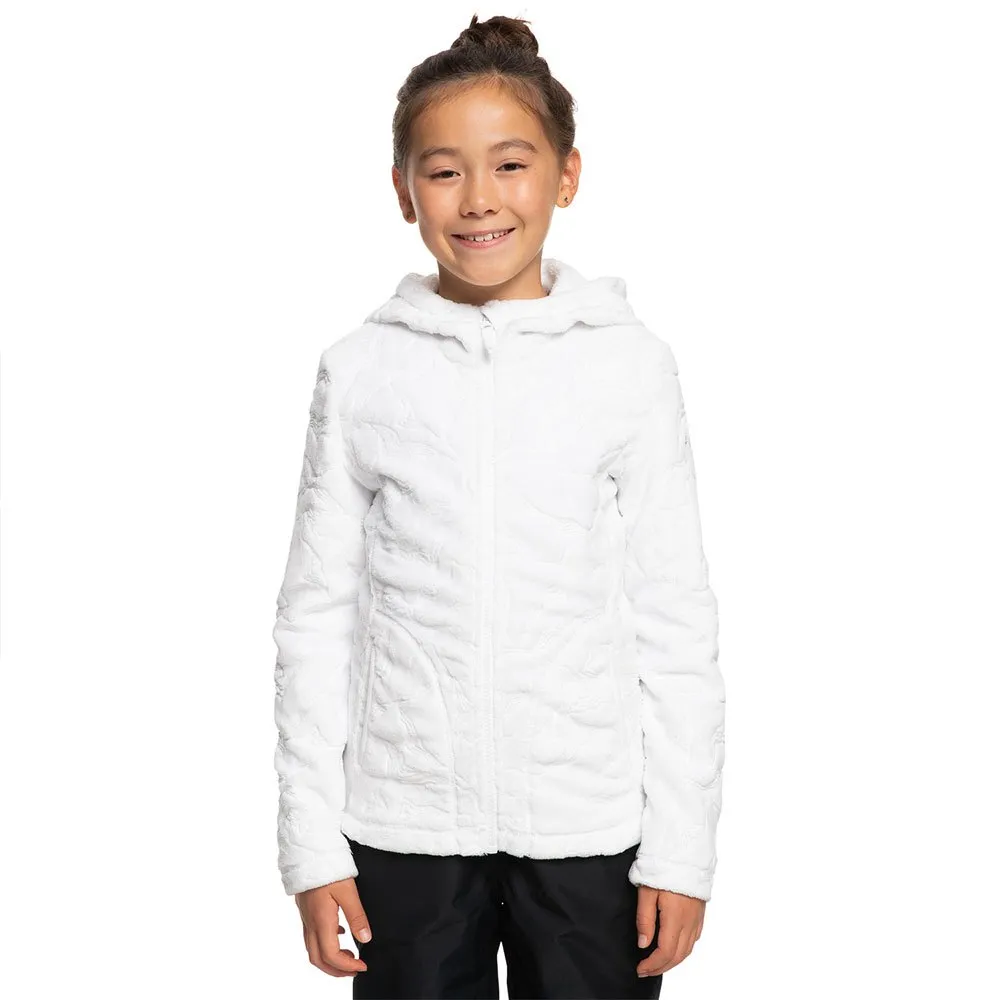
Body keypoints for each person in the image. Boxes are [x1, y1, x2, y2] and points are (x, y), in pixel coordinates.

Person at [271, 13, 725, 999]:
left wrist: (681, 851)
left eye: (511, 164)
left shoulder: (629, 366)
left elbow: (674, 617)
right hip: (405, 830)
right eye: (443, 171)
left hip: (590, 830)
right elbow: (314, 618)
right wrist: (312, 847)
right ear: (403, 190)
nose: (478, 197)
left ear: (566, 175)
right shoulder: (361, 371)